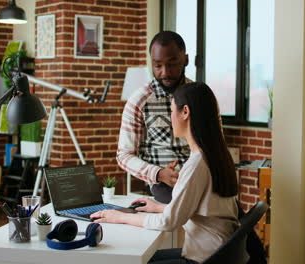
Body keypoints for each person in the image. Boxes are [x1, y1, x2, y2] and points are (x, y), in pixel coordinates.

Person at [92, 82, 239, 264]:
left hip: (205, 258)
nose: (170, 118)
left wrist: (121, 217)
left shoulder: (197, 164)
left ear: (185, 112)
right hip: (220, 252)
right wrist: (157, 207)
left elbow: (168, 222)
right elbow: (195, 211)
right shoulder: (215, 155)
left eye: (171, 111)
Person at [117, 31, 191, 204]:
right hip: (162, 186)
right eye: (158, 65)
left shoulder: (201, 97)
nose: (165, 72)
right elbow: (124, 155)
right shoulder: (139, 101)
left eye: (172, 64)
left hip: (199, 179)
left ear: (185, 60)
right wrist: (158, 173)